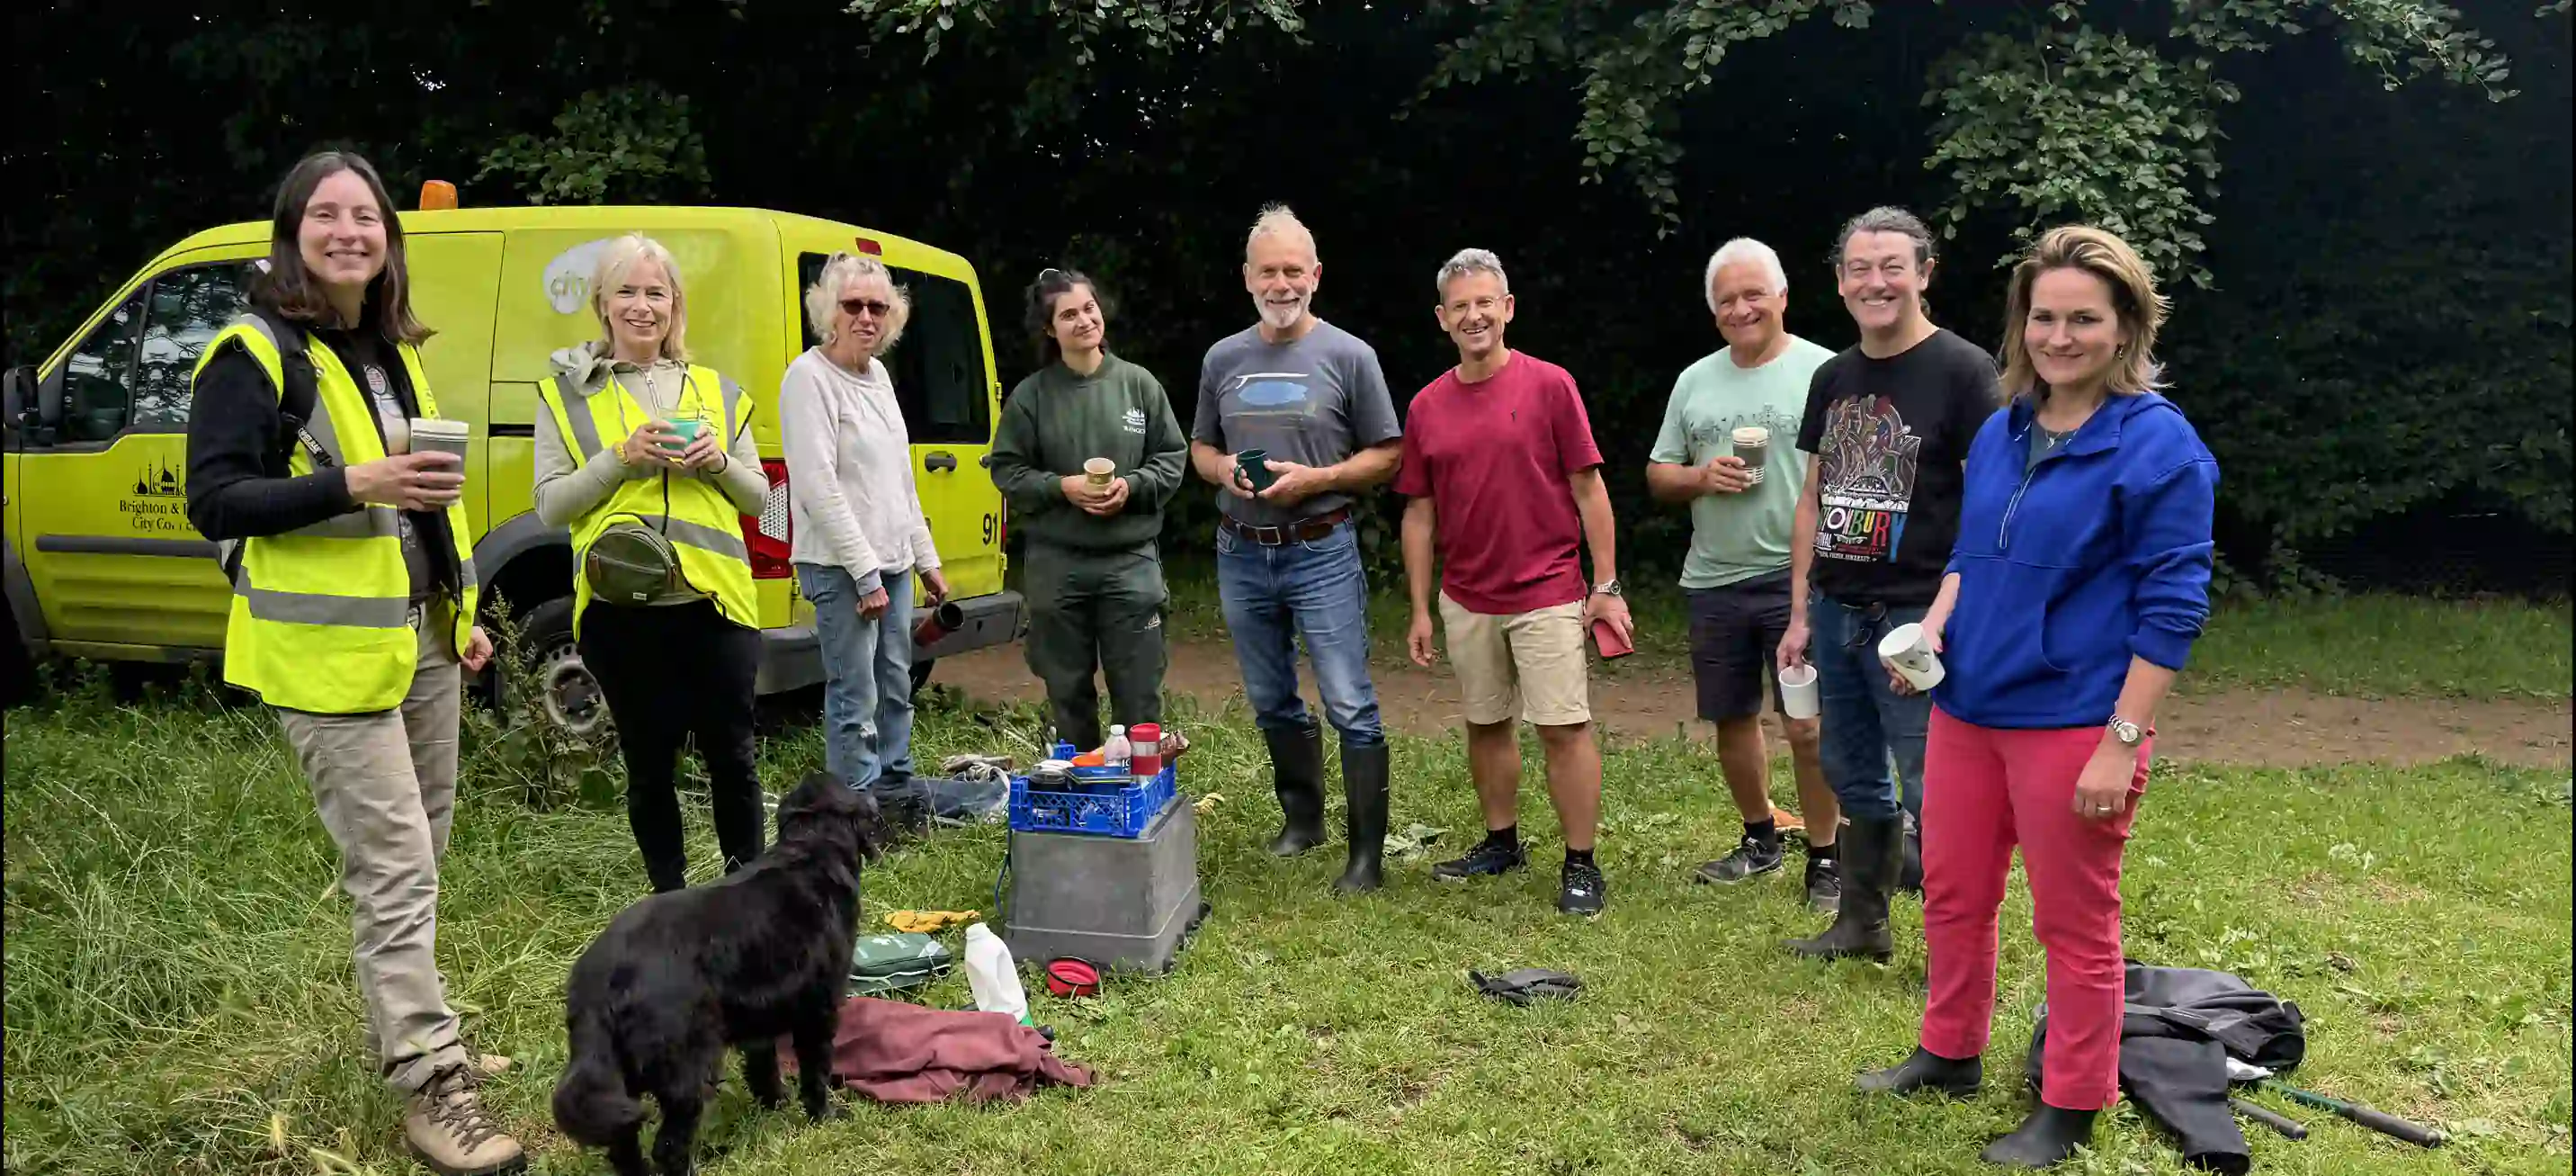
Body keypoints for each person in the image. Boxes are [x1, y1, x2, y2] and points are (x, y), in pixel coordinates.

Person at [183, 150, 523, 1176]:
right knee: (396, 867)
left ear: (388, 239)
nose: (348, 232)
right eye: (325, 215)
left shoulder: (387, 350)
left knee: (425, 850)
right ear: (291, 232)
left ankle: (422, 1029)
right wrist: (351, 482)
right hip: (321, 657)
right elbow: (216, 500)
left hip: (415, 639)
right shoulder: (253, 353)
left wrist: (457, 610)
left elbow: (428, 503)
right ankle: (431, 1083)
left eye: (365, 217)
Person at [1856, 225, 2217, 1168]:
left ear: (2125, 325)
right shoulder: (2003, 427)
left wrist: (2120, 739)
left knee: (2073, 918)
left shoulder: (2157, 445)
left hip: (2072, 723)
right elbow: (1971, 559)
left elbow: (2172, 606)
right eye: (2044, 317)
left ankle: (2071, 1102)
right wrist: (1931, 633)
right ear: (2022, 324)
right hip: (1967, 709)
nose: (2060, 337)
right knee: (1952, 892)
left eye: (2083, 319)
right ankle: (1947, 1051)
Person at [1775, 206, 2000, 962]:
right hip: (1837, 612)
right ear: (1840, 283)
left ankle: (1953, 949)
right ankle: (1861, 923)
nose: (1877, 282)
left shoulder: (1967, 372)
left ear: (1925, 273)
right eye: (1861, 269)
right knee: (1849, 770)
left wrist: (1942, 618)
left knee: (1934, 786)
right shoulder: (1832, 376)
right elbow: (1812, 496)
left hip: (1916, 618)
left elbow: (1989, 507)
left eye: (1893, 267)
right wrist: (1800, 608)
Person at [1398, 248, 1632, 917]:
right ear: (1443, 319)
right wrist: (1419, 607)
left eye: (1485, 303)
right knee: (1486, 723)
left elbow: (1589, 488)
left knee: (1564, 728)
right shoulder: (1426, 406)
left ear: (1507, 309)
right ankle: (1501, 842)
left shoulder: (1550, 385)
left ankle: (1581, 863)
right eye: (1460, 306)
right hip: (1467, 595)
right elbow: (1418, 514)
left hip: (1549, 588)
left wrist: (1606, 584)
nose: (1474, 315)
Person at [534, 233, 770, 895]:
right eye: (627, 292)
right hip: (621, 615)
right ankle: (671, 903)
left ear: (675, 306)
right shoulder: (564, 395)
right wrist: (621, 457)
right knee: (649, 767)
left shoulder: (718, 392)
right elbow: (551, 506)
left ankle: (746, 901)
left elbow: (763, 497)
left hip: (717, 608)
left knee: (734, 760)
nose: (643, 306)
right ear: (603, 304)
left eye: (656, 293)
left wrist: (720, 462)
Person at [1189, 205, 1403, 893]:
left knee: (1348, 699)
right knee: (1271, 695)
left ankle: (1366, 858)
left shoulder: (1349, 355)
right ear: (1247, 277)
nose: (1281, 284)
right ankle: (1302, 820)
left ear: (1315, 274)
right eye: (1267, 271)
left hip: (1321, 548)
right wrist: (1222, 471)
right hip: (1242, 548)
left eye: (1293, 270)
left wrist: (1320, 479)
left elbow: (1390, 453)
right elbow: (1200, 446)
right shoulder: (1223, 357)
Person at [1648, 238, 1842, 912]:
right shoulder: (1695, 380)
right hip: (1715, 578)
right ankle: (1760, 836)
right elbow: (1658, 473)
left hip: (1803, 580)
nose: (1741, 307)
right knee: (1732, 717)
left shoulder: (1825, 370)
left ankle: (1826, 857)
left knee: (1807, 725)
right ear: (1713, 310)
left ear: (1783, 296)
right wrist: (1701, 476)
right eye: (1726, 299)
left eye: (1753, 293)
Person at [782, 252, 948, 834]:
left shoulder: (878, 378)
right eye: (853, 304)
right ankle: (852, 816)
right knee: (855, 694)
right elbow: (817, 485)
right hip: (839, 565)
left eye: (878, 306)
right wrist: (865, 572)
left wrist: (926, 560)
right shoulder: (807, 377)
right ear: (829, 309)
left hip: (894, 562)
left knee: (896, 681)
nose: (866, 316)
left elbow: (898, 479)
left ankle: (896, 793)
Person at [988, 267, 1188, 749]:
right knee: (1068, 691)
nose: (1084, 320)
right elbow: (1007, 470)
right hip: (1058, 565)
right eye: (1069, 314)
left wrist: (1133, 486)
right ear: (1049, 329)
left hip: (1130, 561)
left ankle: (1142, 801)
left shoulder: (1139, 385)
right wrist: (1063, 487)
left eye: (1089, 308)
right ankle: (1080, 802)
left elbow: (1172, 457)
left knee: (1140, 693)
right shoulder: (1031, 397)